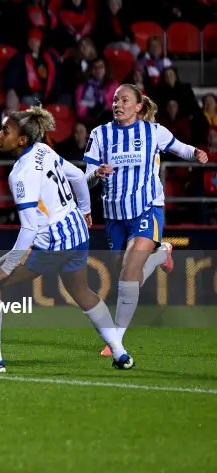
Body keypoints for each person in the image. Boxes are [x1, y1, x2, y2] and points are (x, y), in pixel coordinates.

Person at [0, 107, 127, 374]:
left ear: (22, 139)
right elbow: (77, 178)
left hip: (52, 242)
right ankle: (120, 353)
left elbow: (29, 228)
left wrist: (8, 265)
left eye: (6, 130)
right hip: (77, 232)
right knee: (82, 292)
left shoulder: (20, 174)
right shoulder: (44, 150)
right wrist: (84, 210)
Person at [83, 84, 209, 358]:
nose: (118, 104)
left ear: (138, 106)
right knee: (129, 276)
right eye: (116, 99)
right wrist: (96, 174)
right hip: (115, 214)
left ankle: (116, 340)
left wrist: (196, 154)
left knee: (129, 272)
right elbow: (85, 178)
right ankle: (161, 254)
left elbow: (180, 149)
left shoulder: (153, 131)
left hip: (147, 208)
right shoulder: (100, 134)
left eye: (125, 100)